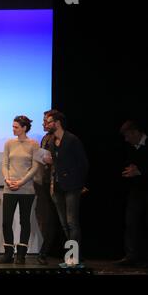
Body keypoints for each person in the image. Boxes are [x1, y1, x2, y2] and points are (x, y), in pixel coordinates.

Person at [44, 111, 88, 267]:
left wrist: (81, 184)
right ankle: (74, 256)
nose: (46, 124)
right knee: (64, 224)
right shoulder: (51, 142)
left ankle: (73, 258)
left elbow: (83, 163)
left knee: (72, 223)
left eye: (49, 122)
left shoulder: (72, 140)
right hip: (57, 187)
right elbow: (55, 165)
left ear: (57, 123)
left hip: (72, 186)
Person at [0, 116, 39, 264]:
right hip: (9, 188)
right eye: (13, 126)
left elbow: (35, 167)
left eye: (16, 127)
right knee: (6, 221)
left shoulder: (33, 144)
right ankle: (8, 253)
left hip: (26, 189)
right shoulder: (9, 143)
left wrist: (21, 182)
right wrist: (7, 180)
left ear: (24, 128)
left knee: (24, 221)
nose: (13, 129)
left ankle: (21, 254)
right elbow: (5, 164)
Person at [114, 120, 148, 268]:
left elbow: (140, 168)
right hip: (136, 191)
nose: (126, 139)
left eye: (128, 136)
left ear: (136, 132)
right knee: (131, 223)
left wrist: (139, 171)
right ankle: (131, 256)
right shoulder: (131, 147)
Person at [33, 110, 62, 265]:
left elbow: (68, 160)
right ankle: (44, 253)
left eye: (46, 120)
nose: (43, 123)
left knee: (66, 221)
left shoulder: (63, 138)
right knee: (48, 219)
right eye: (43, 120)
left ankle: (73, 253)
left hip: (59, 183)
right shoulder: (45, 138)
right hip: (45, 183)